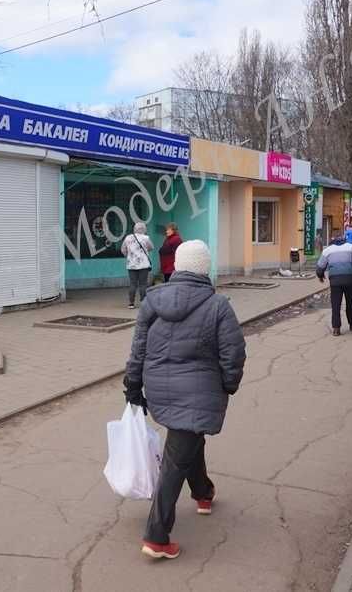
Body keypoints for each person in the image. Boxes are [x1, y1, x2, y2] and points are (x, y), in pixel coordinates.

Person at [123, 240, 246, 560]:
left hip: (159, 387)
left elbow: (138, 348)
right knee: (177, 456)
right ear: (205, 269)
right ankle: (156, 536)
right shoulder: (218, 305)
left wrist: (133, 384)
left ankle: (203, 493)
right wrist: (229, 385)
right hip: (198, 390)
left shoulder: (152, 300)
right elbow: (234, 353)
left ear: (177, 266)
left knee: (189, 437)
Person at [316, 234, 352, 336]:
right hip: (350, 280)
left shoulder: (328, 250)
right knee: (351, 303)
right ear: (344, 240)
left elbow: (319, 267)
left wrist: (320, 276)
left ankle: (336, 328)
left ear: (332, 241)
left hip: (335, 282)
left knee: (336, 305)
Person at [121, 222, 154, 308]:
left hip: (131, 265)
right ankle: (143, 302)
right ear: (144, 229)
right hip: (143, 265)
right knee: (143, 284)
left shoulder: (128, 238)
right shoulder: (146, 238)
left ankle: (131, 303)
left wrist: (129, 256)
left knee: (133, 284)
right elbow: (151, 247)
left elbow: (123, 250)